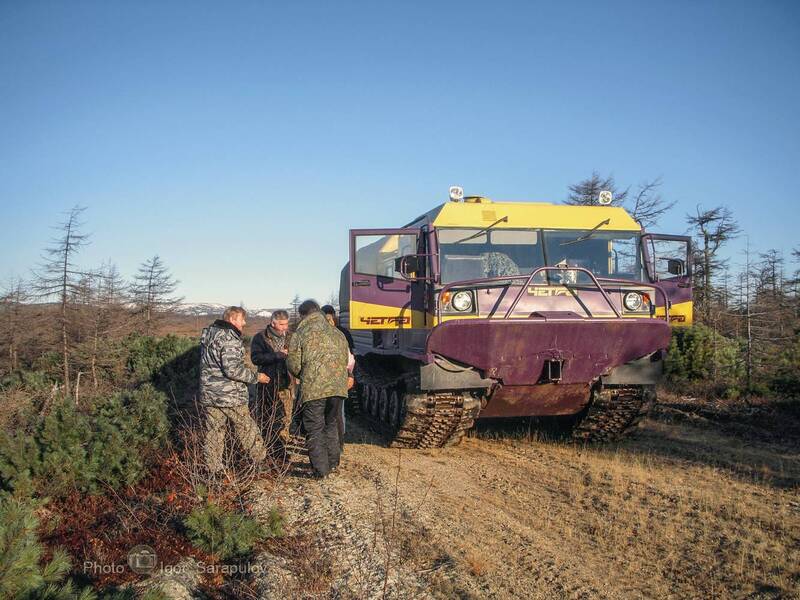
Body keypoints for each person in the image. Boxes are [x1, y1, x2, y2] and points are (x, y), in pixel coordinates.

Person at [199, 306, 270, 476]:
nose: (244, 323)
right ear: (232, 319)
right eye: (242, 319)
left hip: (210, 394)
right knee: (246, 428)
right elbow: (232, 369)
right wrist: (256, 377)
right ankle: (260, 461)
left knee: (214, 432)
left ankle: (213, 469)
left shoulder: (210, 334)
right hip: (229, 395)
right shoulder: (228, 338)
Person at [287, 300, 349, 478]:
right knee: (330, 424)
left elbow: (293, 364)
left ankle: (321, 470)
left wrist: (303, 375)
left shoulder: (301, 333)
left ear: (303, 315)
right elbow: (345, 360)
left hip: (314, 388)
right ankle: (333, 462)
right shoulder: (337, 333)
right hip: (338, 388)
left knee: (314, 428)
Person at [250, 310, 294, 453]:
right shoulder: (260, 337)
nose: (284, 327)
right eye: (281, 324)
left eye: (286, 324)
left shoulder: (291, 337)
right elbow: (255, 358)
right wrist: (276, 356)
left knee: (286, 414)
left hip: (286, 383)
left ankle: (281, 442)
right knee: (266, 414)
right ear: (273, 323)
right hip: (267, 382)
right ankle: (268, 444)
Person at [320, 305, 355, 450]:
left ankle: (328, 444)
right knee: (338, 414)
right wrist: (350, 374)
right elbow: (350, 357)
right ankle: (338, 444)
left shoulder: (317, 336)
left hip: (322, 381)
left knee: (324, 413)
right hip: (339, 379)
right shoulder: (343, 334)